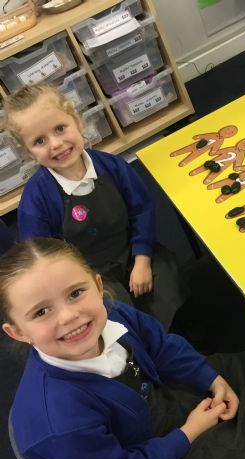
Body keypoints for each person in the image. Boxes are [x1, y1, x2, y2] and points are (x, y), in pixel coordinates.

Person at [0, 238, 245, 459]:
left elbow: (161, 346)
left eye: (75, 293)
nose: (68, 316)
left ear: (98, 287)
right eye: (41, 312)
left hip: (155, 400)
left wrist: (212, 379)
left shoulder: (112, 313)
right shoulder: (62, 420)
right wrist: (189, 433)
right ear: (18, 332)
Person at [2, 84, 188, 332]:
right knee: (116, 316)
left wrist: (142, 259)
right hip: (86, 275)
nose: (56, 144)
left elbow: (141, 210)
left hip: (132, 251)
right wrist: (81, 287)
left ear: (76, 120)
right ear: (27, 151)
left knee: (167, 286)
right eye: (39, 141)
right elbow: (43, 260)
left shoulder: (113, 166)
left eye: (60, 128)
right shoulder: (35, 200)